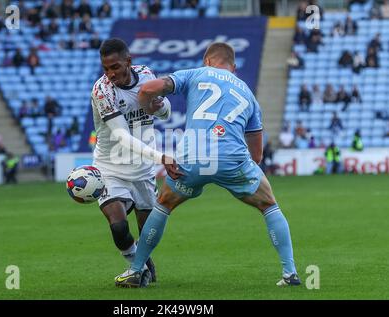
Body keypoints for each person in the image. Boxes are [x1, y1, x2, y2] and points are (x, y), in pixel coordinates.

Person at [115, 42, 300, 288]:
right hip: (232, 157)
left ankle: (136, 270)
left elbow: (148, 89)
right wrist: (242, 173)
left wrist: (151, 107)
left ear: (208, 60)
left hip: (193, 156)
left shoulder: (195, 73)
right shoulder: (247, 93)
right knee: (269, 205)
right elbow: (257, 154)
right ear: (232, 67)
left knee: (163, 205)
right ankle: (290, 273)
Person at [90, 38, 174, 285]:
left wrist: (158, 106)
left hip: (143, 171)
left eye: (115, 67)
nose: (110, 73)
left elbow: (166, 111)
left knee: (148, 232)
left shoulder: (147, 75)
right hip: (109, 168)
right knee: (118, 228)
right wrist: (162, 158)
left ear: (129, 61)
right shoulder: (102, 90)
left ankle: (143, 262)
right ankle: (136, 265)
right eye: (105, 68)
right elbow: (122, 136)